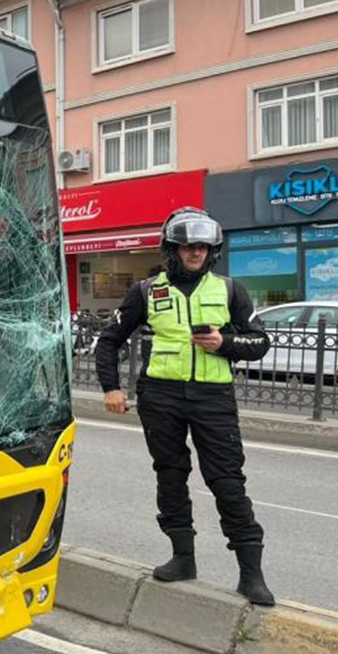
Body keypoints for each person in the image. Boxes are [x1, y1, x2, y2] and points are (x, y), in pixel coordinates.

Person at [95, 207, 275, 606]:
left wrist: (224, 344)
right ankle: (182, 557)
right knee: (170, 476)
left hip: (214, 399)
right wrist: (111, 387)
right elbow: (109, 340)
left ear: (212, 251)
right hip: (161, 397)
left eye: (202, 247)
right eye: (187, 246)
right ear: (171, 249)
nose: (194, 252)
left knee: (227, 481)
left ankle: (251, 573)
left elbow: (260, 342)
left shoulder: (230, 290)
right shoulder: (147, 291)